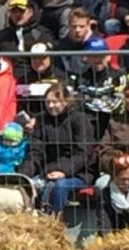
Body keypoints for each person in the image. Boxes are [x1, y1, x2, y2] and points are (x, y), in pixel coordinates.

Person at [33, 83, 94, 214]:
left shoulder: (80, 120)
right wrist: (26, 173)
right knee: (31, 184)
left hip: (79, 172)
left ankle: (53, 221)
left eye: (55, 102)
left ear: (66, 101)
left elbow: (83, 153)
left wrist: (63, 171)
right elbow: (36, 151)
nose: (50, 106)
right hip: (48, 170)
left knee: (60, 185)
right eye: (47, 102)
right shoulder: (42, 120)